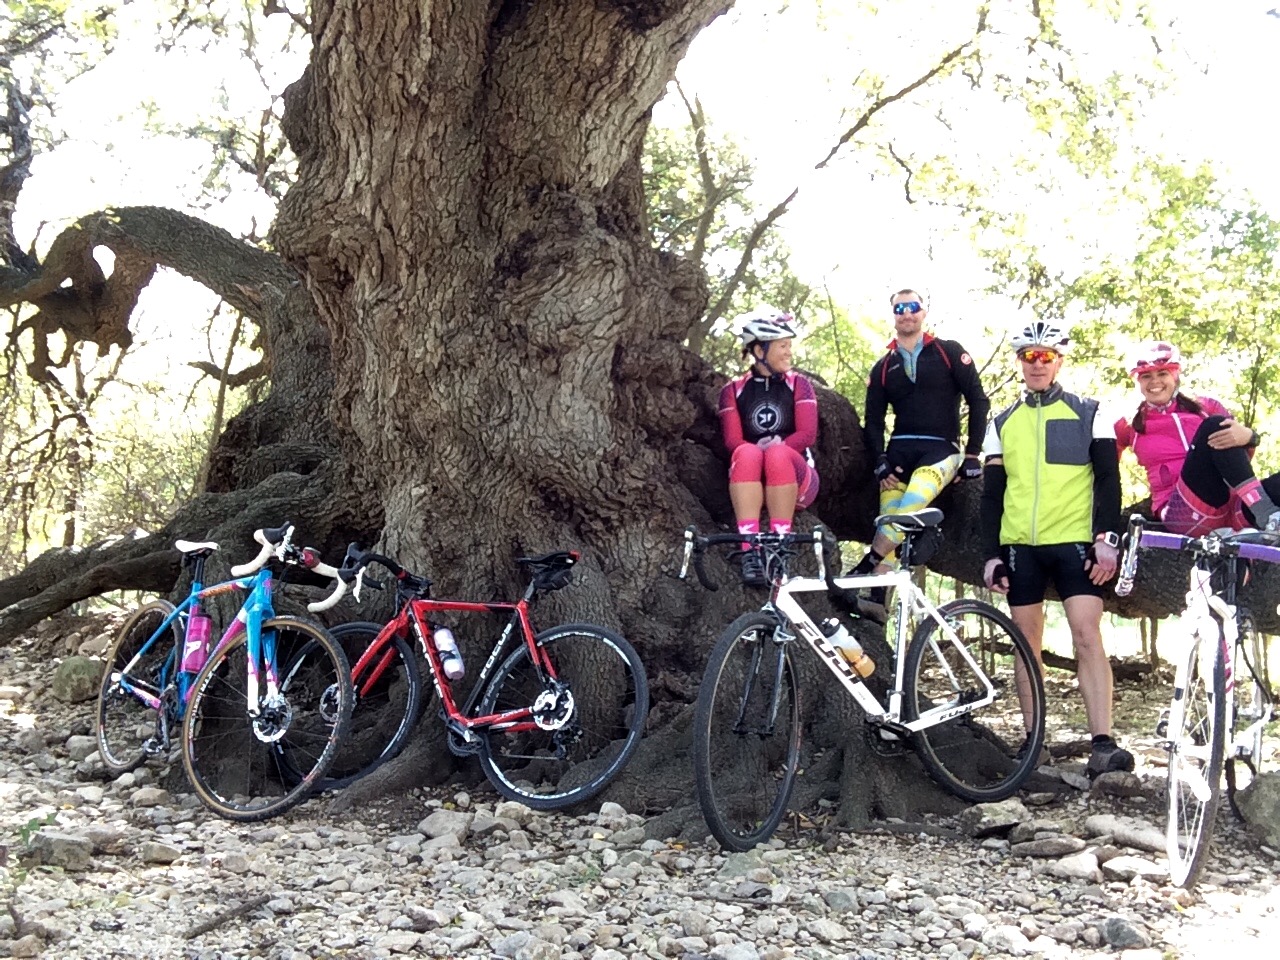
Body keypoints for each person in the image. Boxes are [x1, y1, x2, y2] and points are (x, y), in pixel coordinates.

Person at [980, 321, 1133, 779]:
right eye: (1029, 356)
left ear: (1059, 360)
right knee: (1026, 644)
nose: (1037, 364)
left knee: (1087, 635)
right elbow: (992, 496)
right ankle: (1033, 742)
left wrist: (1107, 538)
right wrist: (991, 553)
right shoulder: (1002, 422)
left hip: (1075, 544)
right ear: (1020, 362)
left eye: (1045, 356)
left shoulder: (1091, 412)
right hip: (1020, 548)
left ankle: (1103, 744)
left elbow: (1109, 481)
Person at [854, 288, 990, 620]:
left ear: (923, 312)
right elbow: (872, 420)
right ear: (894, 315)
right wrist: (879, 460)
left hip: (940, 450)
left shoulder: (948, 352)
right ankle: (876, 598)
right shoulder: (884, 366)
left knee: (908, 507)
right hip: (899, 451)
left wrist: (972, 454)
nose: (906, 313)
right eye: (899, 308)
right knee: (889, 514)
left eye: (912, 306)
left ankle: (867, 564)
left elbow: (978, 400)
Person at [1114, 340, 1280, 535]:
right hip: (1182, 512)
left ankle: (1263, 518)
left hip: (1234, 507)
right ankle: (1267, 515)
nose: (1155, 381)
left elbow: (1235, 459)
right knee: (1214, 426)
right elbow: (1104, 472)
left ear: (1175, 376)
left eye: (1162, 373)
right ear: (1137, 381)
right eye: (1146, 376)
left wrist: (1251, 437)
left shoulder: (1205, 406)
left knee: (1218, 426)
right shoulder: (1128, 423)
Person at [718, 307, 819, 586]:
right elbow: (732, 442)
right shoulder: (733, 390)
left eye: (789, 345)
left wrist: (776, 447)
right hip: (752, 477)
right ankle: (749, 548)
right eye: (782, 346)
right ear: (760, 350)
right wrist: (758, 451)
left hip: (799, 479)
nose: (789, 352)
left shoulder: (800, 384)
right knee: (746, 451)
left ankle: (779, 546)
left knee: (777, 453)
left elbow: (807, 435)